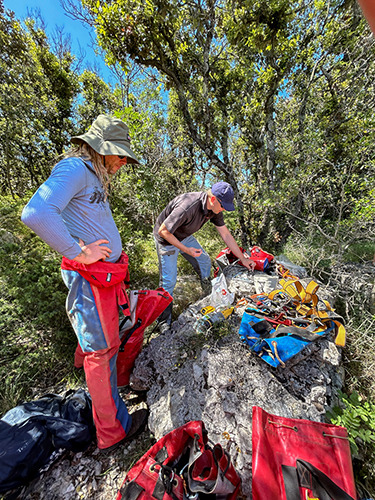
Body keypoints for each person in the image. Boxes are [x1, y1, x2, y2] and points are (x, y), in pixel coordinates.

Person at [21, 115, 148, 452]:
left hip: (103, 278)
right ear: (101, 148)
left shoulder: (94, 174)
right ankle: (112, 431)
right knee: (100, 350)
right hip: (90, 279)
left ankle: (98, 397)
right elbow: (35, 212)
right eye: (120, 155)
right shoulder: (75, 168)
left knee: (100, 343)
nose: (123, 162)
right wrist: (79, 251)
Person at [154, 182, 256, 331]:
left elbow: (225, 234)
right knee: (169, 281)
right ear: (213, 199)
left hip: (184, 236)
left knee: (204, 260)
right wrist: (186, 250)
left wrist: (243, 258)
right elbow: (164, 231)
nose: (223, 210)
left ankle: (206, 287)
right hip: (166, 239)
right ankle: (163, 321)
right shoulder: (187, 206)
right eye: (223, 206)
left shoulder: (214, 210)